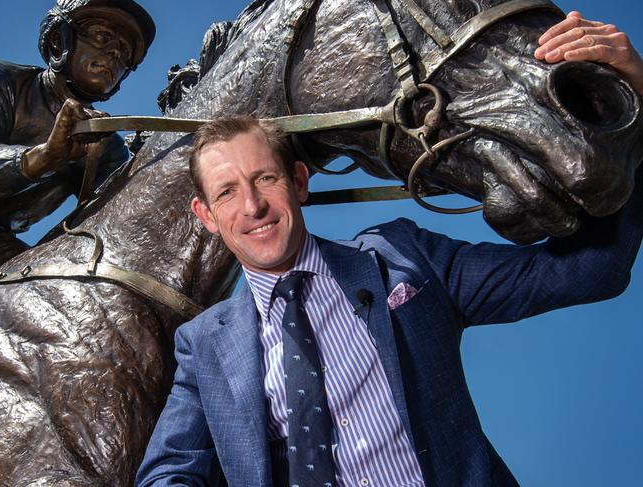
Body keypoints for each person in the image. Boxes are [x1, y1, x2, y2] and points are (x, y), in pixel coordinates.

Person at [136, 12, 643, 487]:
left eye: (264, 178)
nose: (252, 206)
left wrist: (635, 100)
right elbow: (169, 471)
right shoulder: (203, 345)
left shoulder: (402, 257)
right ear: (207, 217)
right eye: (226, 193)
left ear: (298, 181)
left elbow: (594, 270)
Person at [0, 0, 155, 267]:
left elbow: (112, 223)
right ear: (59, 40)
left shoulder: (106, 147)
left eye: (125, 51)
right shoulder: (4, 81)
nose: (115, 54)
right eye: (102, 37)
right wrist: (43, 158)